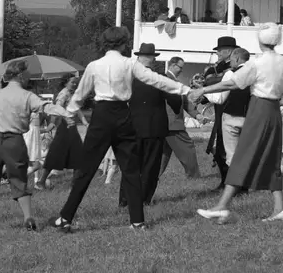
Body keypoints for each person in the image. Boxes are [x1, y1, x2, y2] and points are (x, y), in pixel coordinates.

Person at [51, 28, 192, 233]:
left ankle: (65, 217)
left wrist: (69, 114)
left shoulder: (94, 65)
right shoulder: (129, 64)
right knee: (131, 170)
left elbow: (80, 95)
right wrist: (185, 89)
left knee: (86, 169)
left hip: (101, 117)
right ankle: (137, 221)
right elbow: (156, 80)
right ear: (124, 44)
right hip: (124, 116)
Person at [194, 25, 283, 224]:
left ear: (260, 40)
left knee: (242, 156)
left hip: (259, 110)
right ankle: (278, 208)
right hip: (274, 111)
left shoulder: (257, 63)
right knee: (271, 158)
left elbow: (231, 83)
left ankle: (222, 206)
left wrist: (203, 91)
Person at [0, 60, 56, 233]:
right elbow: (46, 107)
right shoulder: (27, 95)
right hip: (15, 141)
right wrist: (65, 112)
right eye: (28, 73)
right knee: (19, 180)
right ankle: (28, 218)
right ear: (20, 75)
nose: (30, 76)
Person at [116, 43, 176, 208]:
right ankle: (144, 198)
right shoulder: (158, 77)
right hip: (154, 127)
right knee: (150, 165)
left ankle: (125, 199)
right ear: (152, 58)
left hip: (132, 127)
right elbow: (174, 99)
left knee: (131, 166)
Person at [158, 57, 202, 182]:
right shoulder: (167, 80)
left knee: (163, 154)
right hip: (172, 124)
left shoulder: (174, 81)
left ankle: (153, 177)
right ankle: (194, 177)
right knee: (188, 148)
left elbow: (185, 102)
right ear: (172, 65)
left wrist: (197, 115)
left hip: (167, 124)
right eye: (180, 67)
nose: (181, 71)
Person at [202, 36, 238, 187]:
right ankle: (226, 181)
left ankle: (232, 183)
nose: (217, 54)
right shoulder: (217, 68)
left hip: (229, 110)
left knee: (225, 151)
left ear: (228, 51)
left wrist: (205, 88)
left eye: (219, 51)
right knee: (219, 151)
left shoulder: (234, 68)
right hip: (219, 111)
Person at [39, 74, 84, 187]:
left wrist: (85, 121)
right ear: (66, 82)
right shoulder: (63, 94)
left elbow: (76, 109)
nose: (75, 84)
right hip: (65, 127)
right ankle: (41, 181)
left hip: (71, 126)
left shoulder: (72, 93)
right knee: (56, 153)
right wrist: (66, 119)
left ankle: (75, 184)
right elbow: (58, 108)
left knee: (77, 154)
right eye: (72, 82)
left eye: (75, 82)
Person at [218, 48, 252, 177]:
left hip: (231, 117)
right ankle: (247, 183)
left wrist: (202, 91)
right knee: (246, 152)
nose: (230, 63)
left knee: (232, 155)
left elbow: (219, 98)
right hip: (249, 117)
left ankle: (235, 185)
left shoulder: (231, 74)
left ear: (237, 59)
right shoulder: (256, 74)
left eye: (231, 60)